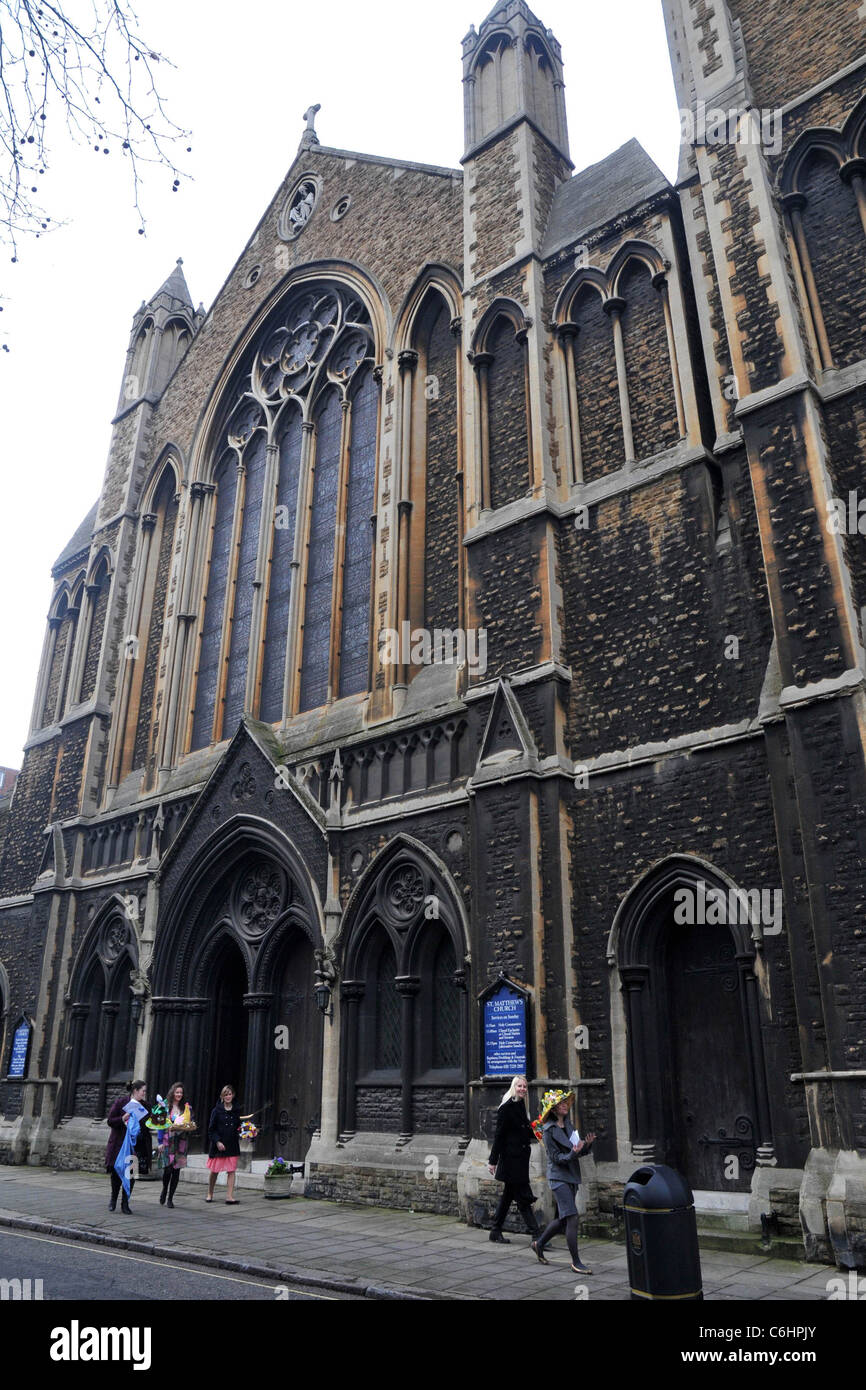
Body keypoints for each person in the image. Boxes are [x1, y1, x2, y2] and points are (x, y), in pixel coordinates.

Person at [530, 1089, 595, 1274]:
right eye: (561, 1103)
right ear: (553, 1109)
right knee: (572, 1217)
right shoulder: (549, 1130)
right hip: (558, 1177)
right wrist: (573, 1152)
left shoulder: (568, 1125)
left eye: (565, 1101)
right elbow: (556, 1158)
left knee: (562, 1218)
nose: (565, 1104)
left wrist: (587, 1145)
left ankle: (538, 1244)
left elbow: (577, 1150)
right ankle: (576, 1262)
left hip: (571, 1176)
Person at [486, 1075, 541, 1243]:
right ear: (513, 1087)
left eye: (525, 1086)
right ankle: (537, 1236)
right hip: (512, 1160)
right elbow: (499, 1136)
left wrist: (539, 1129)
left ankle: (495, 1230)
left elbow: (524, 1131)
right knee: (523, 1197)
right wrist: (492, 1160)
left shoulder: (520, 1106)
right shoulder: (507, 1107)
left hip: (520, 1159)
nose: (523, 1089)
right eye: (519, 1086)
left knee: (508, 1196)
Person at [105, 1079, 147, 1214]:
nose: (144, 1094)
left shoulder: (145, 1106)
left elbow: (150, 1123)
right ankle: (113, 1199)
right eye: (143, 1091)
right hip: (119, 1144)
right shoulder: (121, 1103)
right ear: (135, 1091)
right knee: (117, 1174)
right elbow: (110, 1121)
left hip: (135, 1146)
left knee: (131, 1175)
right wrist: (123, 1118)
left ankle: (125, 1203)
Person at [157, 1081, 194, 1209]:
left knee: (176, 1170)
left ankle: (170, 1198)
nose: (179, 1094)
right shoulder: (165, 1106)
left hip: (181, 1142)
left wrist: (190, 1125)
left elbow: (190, 1122)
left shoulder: (186, 1108)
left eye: (181, 1093)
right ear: (173, 1092)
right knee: (167, 1170)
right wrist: (160, 1142)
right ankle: (164, 1190)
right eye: (177, 1092)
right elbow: (160, 1124)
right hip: (168, 1141)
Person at [206, 1084, 241, 1204]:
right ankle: (210, 1193)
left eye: (230, 1094)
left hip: (231, 1144)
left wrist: (247, 1131)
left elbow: (238, 1126)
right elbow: (211, 1129)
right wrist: (217, 1142)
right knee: (214, 1170)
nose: (228, 1096)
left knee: (231, 1170)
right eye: (225, 1094)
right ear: (222, 1096)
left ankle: (229, 1196)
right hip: (219, 1145)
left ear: (233, 1095)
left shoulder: (236, 1110)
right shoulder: (216, 1110)